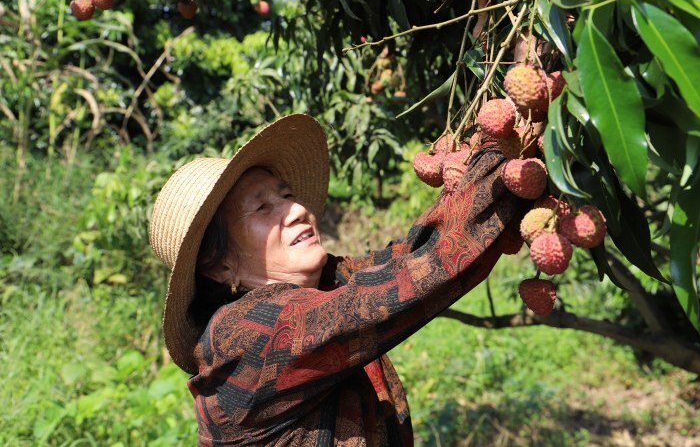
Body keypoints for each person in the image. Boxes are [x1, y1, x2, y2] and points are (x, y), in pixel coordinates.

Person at [149, 114, 519, 445]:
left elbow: (411, 256)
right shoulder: (242, 335)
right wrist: (500, 159)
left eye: (288, 195)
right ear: (220, 265)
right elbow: (407, 286)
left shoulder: (326, 282)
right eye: (263, 207)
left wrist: (499, 147)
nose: (296, 210)